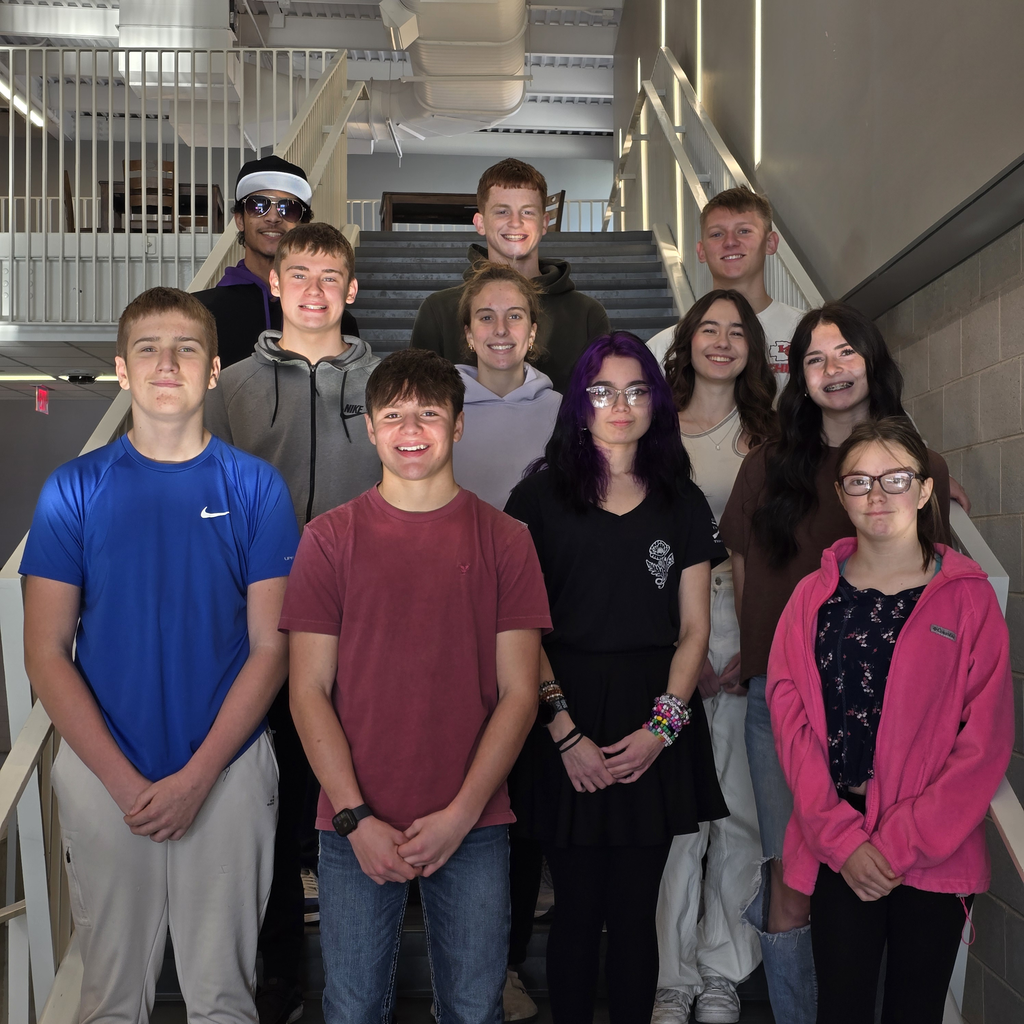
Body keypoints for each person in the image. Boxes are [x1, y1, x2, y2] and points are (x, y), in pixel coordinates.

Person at [20, 287, 298, 1024]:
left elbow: (273, 647)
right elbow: (46, 653)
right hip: (104, 773)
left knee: (223, 1001)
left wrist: (198, 776)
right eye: (148, 348)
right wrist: (120, 780)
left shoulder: (256, 488)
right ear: (121, 369)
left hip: (229, 771)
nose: (167, 362)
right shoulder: (73, 491)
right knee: (110, 998)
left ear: (213, 372)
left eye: (186, 349)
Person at [282, 348, 552, 1024]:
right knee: (350, 1008)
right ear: (370, 429)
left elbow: (520, 694)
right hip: (352, 825)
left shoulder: (507, 540)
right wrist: (354, 817)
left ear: (458, 426)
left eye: (429, 414)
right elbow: (307, 690)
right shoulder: (328, 539)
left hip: (475, 822)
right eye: (394, 415)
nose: (411, 430)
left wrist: (462, 814)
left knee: (471, 1007)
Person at [719, 303, 952, 1024]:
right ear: (801, 377)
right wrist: (760, 653)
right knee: (796, 877)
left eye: (845, 353)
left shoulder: (922, 468)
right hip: (780, 704)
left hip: (891, 711)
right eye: (815, 359)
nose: (832, 370)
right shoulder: (767, 465)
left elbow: (936, 576)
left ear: (872, 361)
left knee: (883, 876)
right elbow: (739, 564)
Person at [505, 332, 728, 1024]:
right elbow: (520, 629)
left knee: (636, 913)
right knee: (575, 909)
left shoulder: (681, 501)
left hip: (652, 715)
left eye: (636, 389)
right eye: (602, 391)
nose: (620, 404)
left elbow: (694, 631)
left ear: (655, 402)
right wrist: (565, 733)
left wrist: (662, 729)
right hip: (559, 712)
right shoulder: (537, 499)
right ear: (579, 403)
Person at [767, 416, 1013, 1024]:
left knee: (915, 1011)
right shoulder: (811, 598)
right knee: (842, 1009)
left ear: (926, 489)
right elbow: (791, 720)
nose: (877, 495)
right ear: (841, 494)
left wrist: (903, 842)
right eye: (859, 481)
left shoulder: (968, 596)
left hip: (932, 852)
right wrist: (843, 840)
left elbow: (984, 741)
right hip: (840, 845)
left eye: (895, 479)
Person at [205, 220, 380, 1024]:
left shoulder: (386, 383)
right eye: (297, 272)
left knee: (355, 794)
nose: (313, 288)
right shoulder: (234, 384)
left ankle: (360, 974)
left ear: (351, 289)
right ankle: (281, 971)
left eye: (329, 276)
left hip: (367, 627)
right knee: (270, 805)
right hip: (263, 627)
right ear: (273, 284)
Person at [653, 290, 776, 1024]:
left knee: (739, 812)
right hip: (663, 620)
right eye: (709, 329)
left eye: (737, 332)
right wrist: (679, 650)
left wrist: (750, 643)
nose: (722, 342)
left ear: (753, 348)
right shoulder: (653, 423)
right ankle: (671, 975)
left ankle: (722, 970)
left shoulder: (771, 431)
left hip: (744, 619)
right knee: (675, 814)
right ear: (688, 339)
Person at [411, 158, 610, 392]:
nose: (516, 223)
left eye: (527, 212)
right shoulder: (438, 311)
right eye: (502, 211)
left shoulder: (587, 315)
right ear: (480, 222)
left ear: (544, 223)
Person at [195, 154, 358, 369]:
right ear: (239, 220)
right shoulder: (201, 312)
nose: (273, 217)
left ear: (303, 224)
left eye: (288, 208)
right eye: (258, 205)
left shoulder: (337, 319)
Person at [646, 187, 803, 385]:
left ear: (770, 243)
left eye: (744, 231)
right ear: (701, 251)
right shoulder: (664, 348)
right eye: (717, 234)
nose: (730, 242)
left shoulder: (806, 332)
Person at [454, 261, 561, 510]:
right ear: (469, 334)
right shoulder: (441, 411)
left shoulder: (564, 412)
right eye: (486, 317)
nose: (501, 329)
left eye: (514, 316)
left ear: (532, 332)